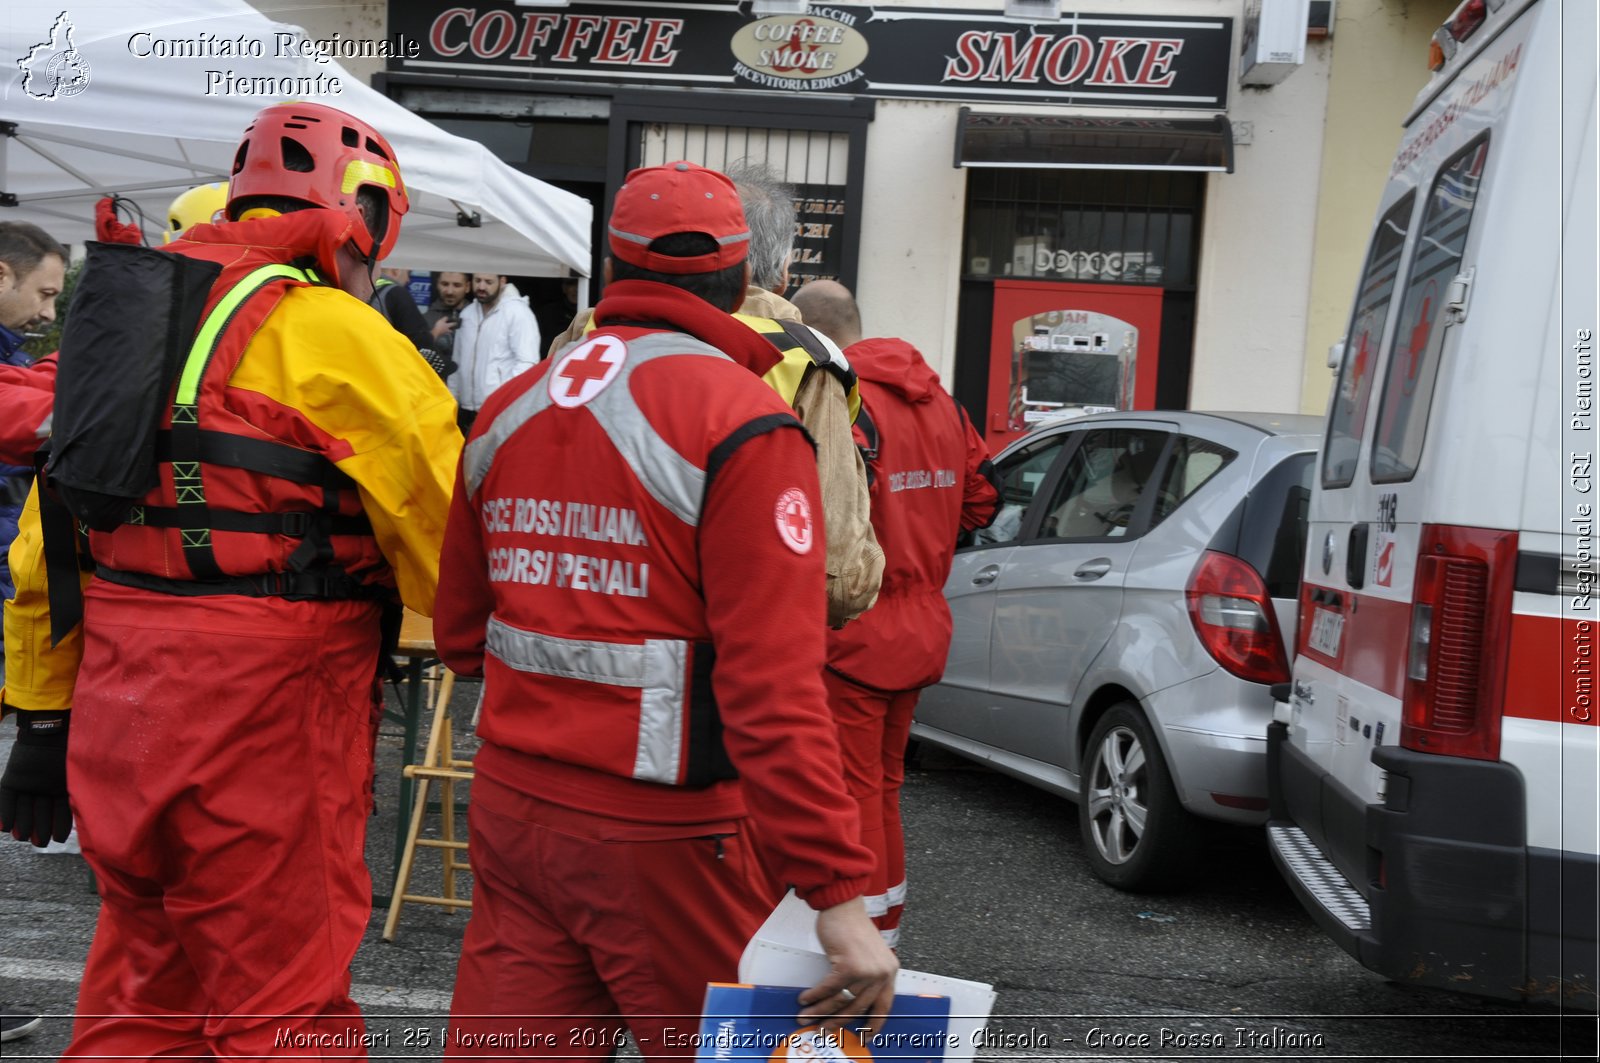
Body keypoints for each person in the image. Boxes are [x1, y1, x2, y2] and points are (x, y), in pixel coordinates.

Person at [0, 101, 460, 1058]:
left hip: (121, 705)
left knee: (139, 987)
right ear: (363, 214)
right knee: (282, 1004)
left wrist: (39, 715)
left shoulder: (121, 320)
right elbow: (453, 554)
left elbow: (49, 539)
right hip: (271, 708)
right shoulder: (347, 338)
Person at [434, 161, 898, 1060]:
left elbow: (460, 633)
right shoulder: (742, 421)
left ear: (615, 272)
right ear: (745, 282)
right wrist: (840, 898)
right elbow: (775, 690)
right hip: (671, 837)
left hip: (515, 812)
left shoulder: (508, 408)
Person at [546, 161, 883, 627]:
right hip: (719, 646)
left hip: (560, 624)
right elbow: (838, 578)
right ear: (780, 273)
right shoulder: (805, 361)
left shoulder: (584, 337)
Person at [790, 279, 1001, 948]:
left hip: (857, 631)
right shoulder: (941, 402)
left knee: (853, 790)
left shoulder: (841, 403)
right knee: (882, 782)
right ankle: (885, 926)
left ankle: (862, 935)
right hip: (921, 626)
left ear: (811, 331)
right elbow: (983, 501)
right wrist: (924, 539)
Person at [0, 223, 67, 608]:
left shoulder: (16, 359)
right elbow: (39, 413)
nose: (48, 313)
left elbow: (41, 381)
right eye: (45, 295)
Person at [449, 271, 539, 432]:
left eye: (488, 282)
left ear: (502, 281)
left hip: (499, 410)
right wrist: (452, 400)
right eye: (478, 280)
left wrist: (502, 399)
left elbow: (527, 362)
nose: (481, 286)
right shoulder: (467, 313)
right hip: (465, 409)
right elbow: (457, 361)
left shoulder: (518, 313)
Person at [372, 265, 454, 380]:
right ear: (396, 270)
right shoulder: (396, 293)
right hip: (395, 374)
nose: (408, 280)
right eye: (408, 273)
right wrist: (445, 367)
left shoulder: (368, 290)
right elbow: (419, 342)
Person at [425, 269, 470, 361]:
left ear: (467, 287)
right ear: (437, 284)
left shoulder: (477, 318)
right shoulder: (425, 318)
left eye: (457, 285)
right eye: (445, 284)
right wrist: (434, 333)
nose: (450, 291)